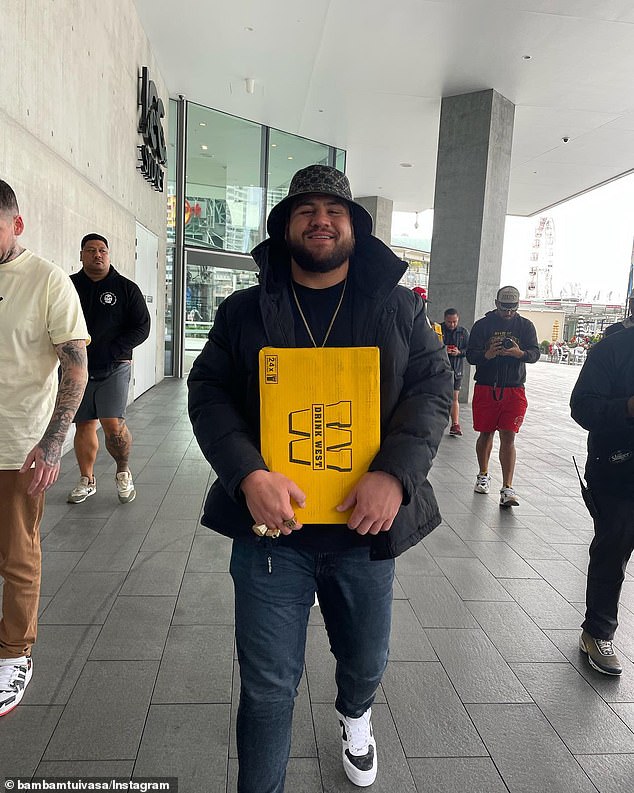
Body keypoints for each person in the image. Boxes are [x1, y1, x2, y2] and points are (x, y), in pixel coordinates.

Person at [188, 164, 452, 792]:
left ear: (354, 227)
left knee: (364, 661)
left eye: (333, 211)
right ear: (285, 227)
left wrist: (395, 474)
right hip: (272, 538)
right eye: (305, 210)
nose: (320, 220)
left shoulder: (395, 308)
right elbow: (208, 392)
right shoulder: (244, 310)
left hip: (365, 533)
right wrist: (247, 472)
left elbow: (433, 386)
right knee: (268, 685)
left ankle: (355, 713)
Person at [0, 179, 88, 716]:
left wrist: (54, 445)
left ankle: (14, 652)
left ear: (18, 225)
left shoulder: (46, 281)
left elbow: (76, 369)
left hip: (16, 446)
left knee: (17, 554)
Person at [67, 234, 150, 505]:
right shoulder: (68, 286)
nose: (97, 255)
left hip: (115, 366)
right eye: (91, 250)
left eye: (102, 250)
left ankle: (123, 472)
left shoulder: (126, 288)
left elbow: (142, 326)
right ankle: (87, 479)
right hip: (76, 367)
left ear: (109, 255)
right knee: (84, 424)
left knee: (113, 425)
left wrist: (116, 349)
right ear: (82, 255)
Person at [570, 326, 634, 676]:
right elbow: (582, 407)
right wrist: (627, 407)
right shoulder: (612, 350)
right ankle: (598, 632)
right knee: (613, 552)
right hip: (618, 473)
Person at [466, 285, 539, 507]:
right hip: (487, 386)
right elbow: (470, 356)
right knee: (485, 433)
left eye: (513, 308)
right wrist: (488, 354)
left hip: (514, 388)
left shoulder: (525, 326)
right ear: (496, 303)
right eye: (505, 307)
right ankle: (483, 474)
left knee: (509, 436)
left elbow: (535, 353)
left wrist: (520, 353)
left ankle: (508, 487)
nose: (508, 312)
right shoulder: (482, 325)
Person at [440, 308, 469, 436]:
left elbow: (469, 350)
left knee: (454, 397)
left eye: (454, 322)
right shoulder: (437, 330)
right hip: (440, 369)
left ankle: (455, 424)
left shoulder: (463, 332)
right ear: (444, 319)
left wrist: (459, 352)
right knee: (438, 396)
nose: (452, 324)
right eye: (449, 322)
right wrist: (442, 350)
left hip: (456, 369)